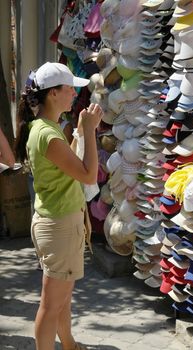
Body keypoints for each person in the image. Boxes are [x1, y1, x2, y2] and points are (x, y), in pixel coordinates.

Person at [15, 62, 103, 350]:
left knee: (61, 298)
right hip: (60, 226)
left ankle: (69, 345)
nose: (74, 94)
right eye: (70, 89)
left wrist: (80, 131)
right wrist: (88, 130)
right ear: (53, 93)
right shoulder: (48, 134)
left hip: (59, 222)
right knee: (51, 304)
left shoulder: (43, 128)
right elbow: (89, 174)